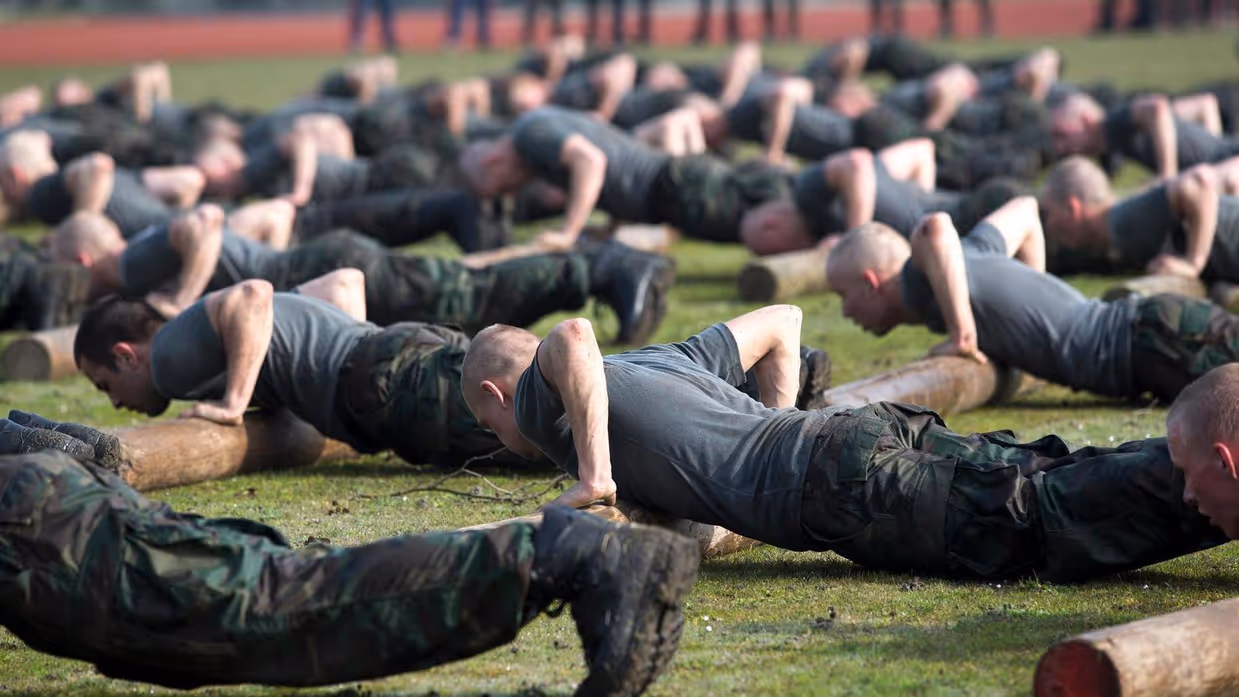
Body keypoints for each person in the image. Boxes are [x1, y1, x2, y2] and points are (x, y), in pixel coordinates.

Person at [460, 304, 1227, 581]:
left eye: (488, 424)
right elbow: (783, 320)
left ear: (496, 396)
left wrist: (593, 476)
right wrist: (775, 424)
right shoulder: (659, 359)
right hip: (848, 436)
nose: (507, 439)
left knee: (1034, 518)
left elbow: (569, 335)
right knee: (1041, 471)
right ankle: (1209, 459)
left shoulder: (538, 400)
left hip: (834, 481)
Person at [0, 412, 698, 696]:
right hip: (36, 516)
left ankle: (567, 554)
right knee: (257, 609)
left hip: (34, 528)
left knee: (270, 605)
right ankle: (561, 555)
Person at [50, 205, 677, 343]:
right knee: (463, 299)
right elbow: (261, 221)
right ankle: (598, 272)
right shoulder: (141, 264)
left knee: (468, 296)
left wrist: (180, 295)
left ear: (83, 259)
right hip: (325, 261)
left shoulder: (129, 262)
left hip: (329, 266)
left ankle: (606, 266)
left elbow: (207, 220)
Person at [827, 196, 1239, 403]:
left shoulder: (920, 276)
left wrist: (962, 332)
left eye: (844, 296)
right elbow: (1025, 210)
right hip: (1149, 333)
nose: (846, 313)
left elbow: (933, 226)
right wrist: (1035, 289)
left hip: (1150, 341)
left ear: (871, 282)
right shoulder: (968, 253)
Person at [1039, 156, 1230, 279]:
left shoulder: (1121, 221)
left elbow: (1198, 184)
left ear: (1073, 208)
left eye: (1050, 213)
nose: (1048, 224)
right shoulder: (1120, 221)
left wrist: (1194, 263)